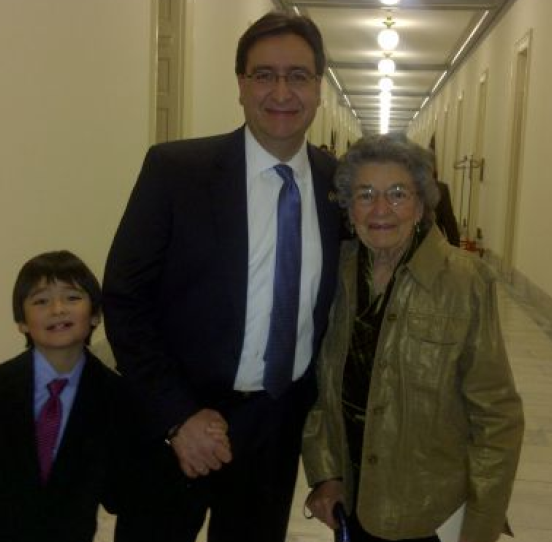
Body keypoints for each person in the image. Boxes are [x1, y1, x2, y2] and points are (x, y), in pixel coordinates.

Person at [103, 11, 341, 542]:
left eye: (298, 75)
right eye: (264, 75)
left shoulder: (339, 188)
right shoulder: (175, 172)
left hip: (275, 427)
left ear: (318, 88)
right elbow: (124, 299)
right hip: (177, 422)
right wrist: (176, 418)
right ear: (241, 85)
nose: (282, 91)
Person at [302, 135, 524, 542]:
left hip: (432, 515)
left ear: (421, 206)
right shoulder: (337, 273)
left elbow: (497, 417)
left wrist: (480, 526)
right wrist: (326, 473)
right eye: (365, 194)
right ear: (349, 208)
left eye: (398, 194)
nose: (381, 209)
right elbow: (319, 387)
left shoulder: (465, 281)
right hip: (352, 503)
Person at [0, 250, 123, 542]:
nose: (58, 309)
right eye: (41, 301)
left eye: (72, 297)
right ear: (22, 321)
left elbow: (123, 493)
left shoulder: (115, 397)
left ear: (96, 314)